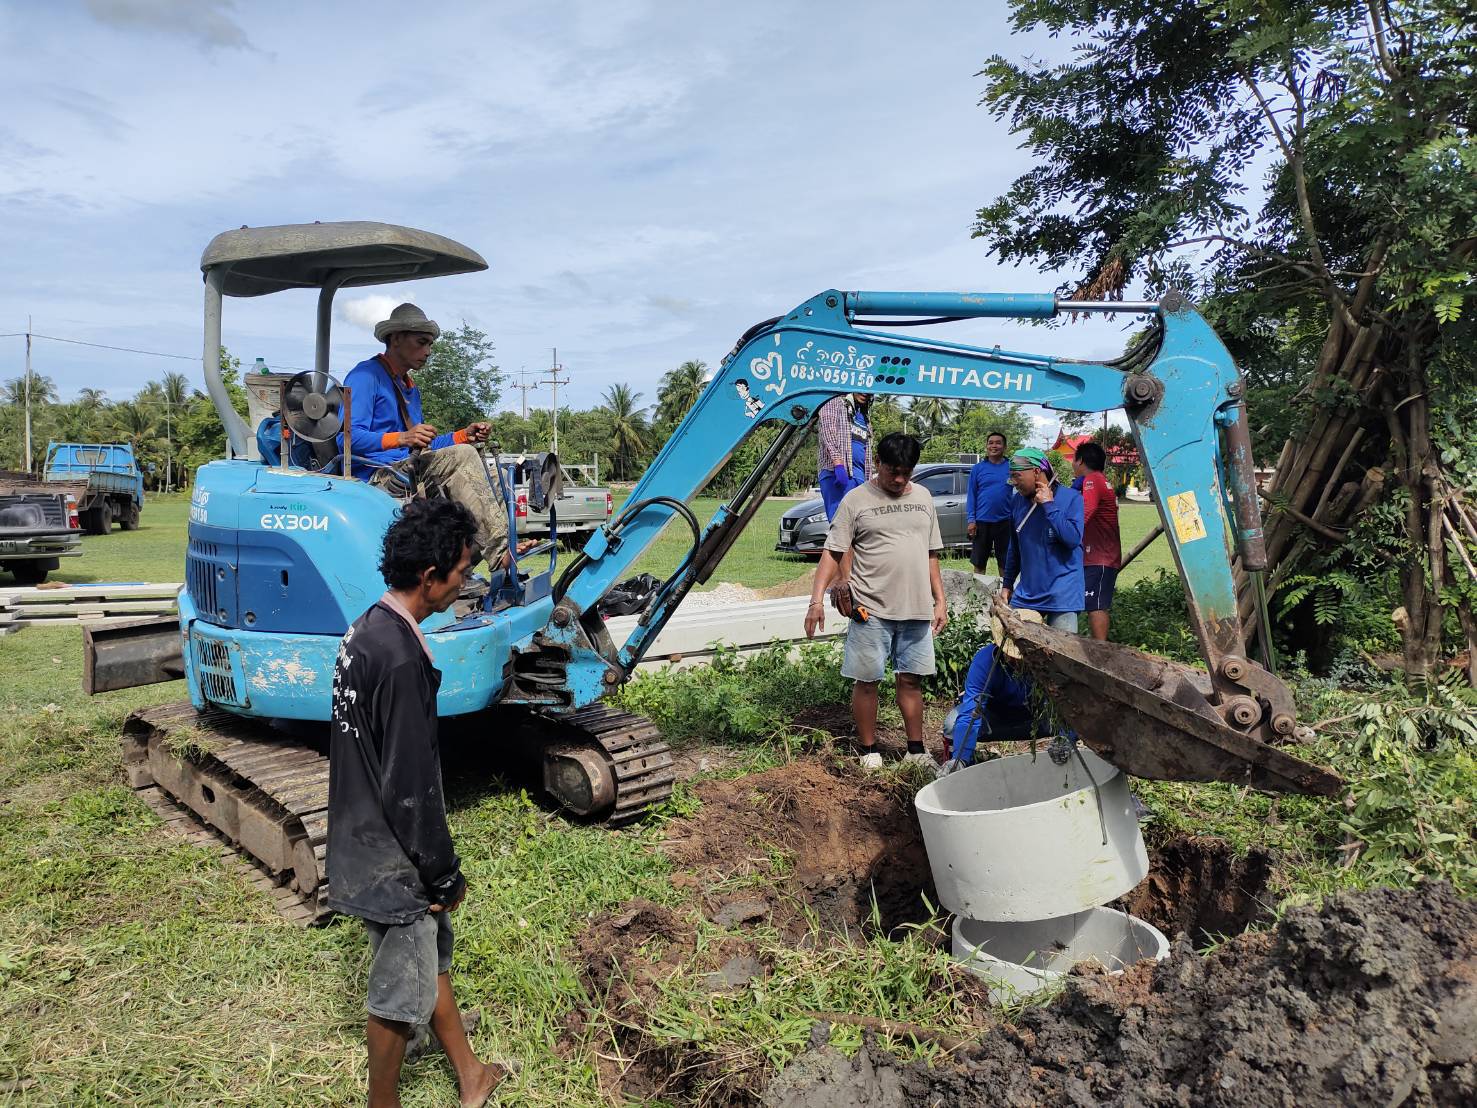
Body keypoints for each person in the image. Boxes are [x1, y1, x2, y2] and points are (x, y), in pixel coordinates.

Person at [327, 498, 507, 1108]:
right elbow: (409, 789)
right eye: (460, 572)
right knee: (399, 997)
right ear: (430, 578)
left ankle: (471, 1075)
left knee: (431, 960)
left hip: (361, 832)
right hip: (392, 856)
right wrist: (441, 870)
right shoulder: (401, 658)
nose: (465, 583)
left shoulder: (368, 629)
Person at [804, 432, 948, 770]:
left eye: (906, 472)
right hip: (871, 609)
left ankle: (915, 750)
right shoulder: (856, 499)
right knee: (867, 680)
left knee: (911, 679)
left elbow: (931, 555)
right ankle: (869, 751)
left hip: (915, 608)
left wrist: (939, 600)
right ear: (878, 464)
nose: (899, 479)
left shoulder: (925, 497)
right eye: (892, 471)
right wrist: (816, 601)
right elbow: (833, 550)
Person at [339, 302, 511, 573]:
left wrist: (463, 435)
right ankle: (501, 556)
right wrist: (402, 438)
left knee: (495, 476)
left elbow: (423, 446)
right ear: (395, 339)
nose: (428, 352)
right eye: (422, 343)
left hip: (409, 469)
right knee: (464, 457)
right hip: (376, 477)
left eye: (430, 344)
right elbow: (347, 440)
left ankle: (459, 570)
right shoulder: (365, 376)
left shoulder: (409, 387)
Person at [1001, 447, 1084, 632]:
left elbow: (1072, 539)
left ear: (1036, 472)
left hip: (1062, 596)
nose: (1013, 483)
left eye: (1017, 476)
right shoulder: (1017, 502)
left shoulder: (1072, 498)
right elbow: (1014, 548)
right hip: (1027, 594)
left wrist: (1049, 506)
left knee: (1062, 656)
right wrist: (1007, 584)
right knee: (1015, 653)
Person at [1072, 441, 1122, 641]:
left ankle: (1100, 653)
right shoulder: (1100, 480)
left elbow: (1085, 513)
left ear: (1081, 460)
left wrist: (1065, 531)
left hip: (1100, 557)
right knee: (1090, 603)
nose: (1072, 465)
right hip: (1098, 555)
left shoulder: (1092, 480)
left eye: (1074, 461)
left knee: (1096, 606)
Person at [816, 393, 873, 521]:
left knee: (858, 527)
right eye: (861, 389)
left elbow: (867, 450)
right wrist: (839, 465)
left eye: (869, 392)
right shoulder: (834, 402)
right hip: (837, 474)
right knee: (840, 524)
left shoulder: (864, 416)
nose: (865, 394)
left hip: (859, 478)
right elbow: (828, 432)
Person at [966, 431, 1012, 575]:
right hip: (981, 522)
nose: (994, 445)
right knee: (979, 563)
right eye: (990, 443)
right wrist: (971, 520)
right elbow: (971, 495)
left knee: (1005, 563)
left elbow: (1020, 491)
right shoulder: (978, 468)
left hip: (1006, 521)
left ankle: (1005, 595)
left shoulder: (1012, 467)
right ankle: (978, 596)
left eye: (998, 443)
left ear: (1004, 447)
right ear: (986, 446)